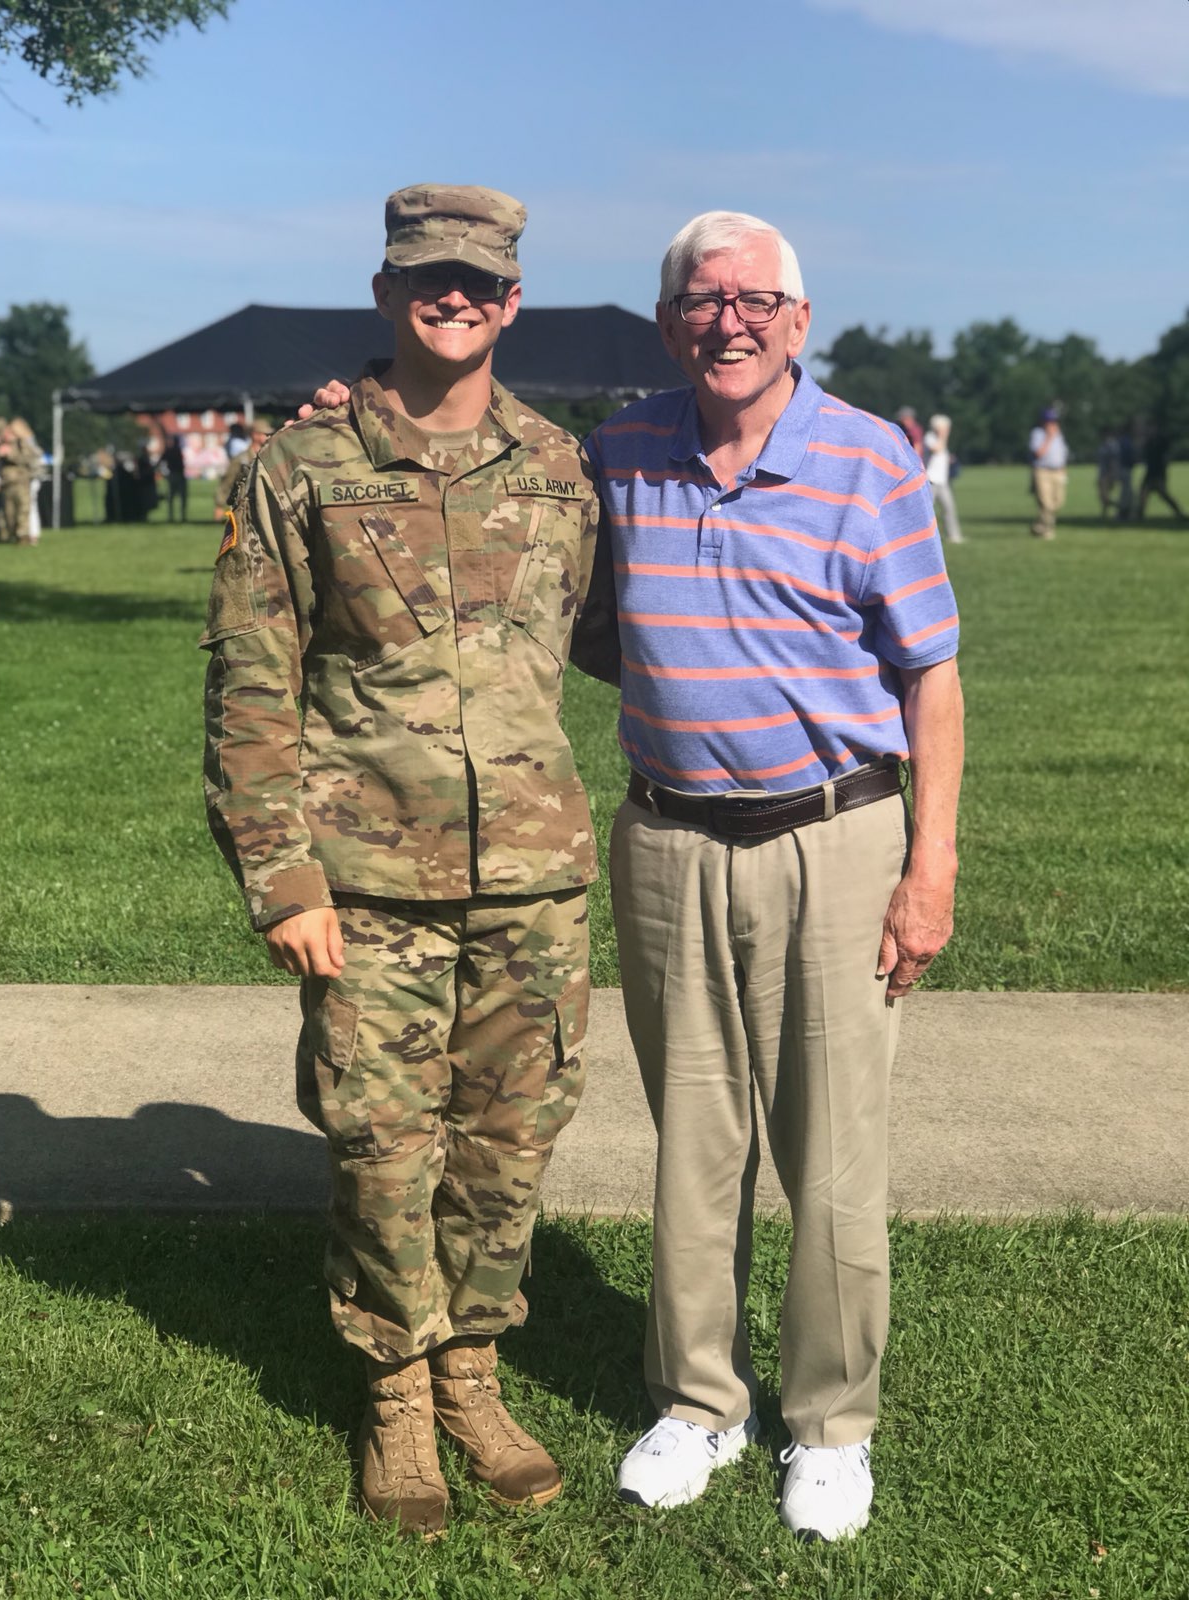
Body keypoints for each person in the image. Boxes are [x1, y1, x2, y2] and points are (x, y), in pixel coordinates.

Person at [201, 184, 599, 1538]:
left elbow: (597, 637)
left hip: (536, 879)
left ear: (511, 300)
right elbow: (252, 685)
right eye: (429, 277)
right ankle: (394, 1393)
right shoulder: (298, 466)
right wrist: (281, 874)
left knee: (509, 1147)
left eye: (480, 280)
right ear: (386, 293)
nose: (455, 297)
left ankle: (475, 1377)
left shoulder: (557, 464)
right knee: (379, 1146)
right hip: (367, 880)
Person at [571, 210, 963, 1543]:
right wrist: (360, 402)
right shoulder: (620, 449)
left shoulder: (868, 460)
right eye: (699, 298)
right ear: (670, 319)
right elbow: (528, 551)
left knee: (833, 1145)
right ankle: (699, 1403)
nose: (724, 320)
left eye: (751, 299)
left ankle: (830, 1424)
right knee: (695, 1141)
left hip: (834, 837)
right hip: (668, 836)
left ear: (798, 320)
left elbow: (933, 675)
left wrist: (931, 867)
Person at [0, 418, 42, 544]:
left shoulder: (22, 444)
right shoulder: (0, 445)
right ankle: (12, 534)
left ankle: (23, 536)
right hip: (6, 482)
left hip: (22, 481)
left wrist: (10, 454)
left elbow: (29, 459)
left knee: (23, 509)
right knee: (9, 512)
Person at [212, 417, 272, 518]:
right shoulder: (241, 459)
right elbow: (228, 481)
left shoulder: (270, 457)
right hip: (245, 507)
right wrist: (219, 504)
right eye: (265, 434)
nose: (268, 437)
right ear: (255, 435)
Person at [923, 412, 965, 543]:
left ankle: (954, 536)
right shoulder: (929, 437)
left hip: (942, 481)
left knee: (949, 509)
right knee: (927, 511)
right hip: (931, 481)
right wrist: (943, 435)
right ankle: (923, 537)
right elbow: (937, 449)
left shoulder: (940, 439)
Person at [1028, 407, 1068, 539]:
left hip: (1058, 471)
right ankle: (1048, 530)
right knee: (1046, 503)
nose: (1052, 424)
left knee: (1058, 502)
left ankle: (1039, 526)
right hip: (1043, 471)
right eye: (1049, 421)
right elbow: (1038, 453)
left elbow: (1062, 453)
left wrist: (1063, 468)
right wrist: (1049, 437)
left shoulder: (1059, 434)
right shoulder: (1037, 434)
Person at [1136, 430, 1186, 521]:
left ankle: (1178, 512)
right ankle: (1140, 514)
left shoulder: (1159, 443)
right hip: (1151, 472)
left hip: (1158, 472)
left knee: (1162, 494)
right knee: (1144, 493)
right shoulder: (1149, 443)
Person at [160, 433, 189, 522]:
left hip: (173, 475)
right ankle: (180, 517)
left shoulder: (169, 451)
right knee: (180, 497)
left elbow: (160, 461)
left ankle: (172, 517)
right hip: (177, 475)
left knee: (172, 497)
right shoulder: (176, 451)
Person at [1095, 427, 1121, 519]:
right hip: (1102, 473)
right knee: (1103, 496)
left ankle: (1120, 507)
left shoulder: (1111, 445)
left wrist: (1112, 474)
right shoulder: (1104, 445)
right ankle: (1104, 513)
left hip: (1107, 474)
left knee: (1105, 496)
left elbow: (1113, 461)